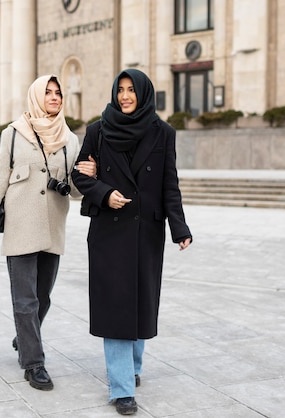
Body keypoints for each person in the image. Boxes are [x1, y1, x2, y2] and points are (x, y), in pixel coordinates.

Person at [71, 69, 193, 415]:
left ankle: (133, 368)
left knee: (140, 303)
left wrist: (179, 227)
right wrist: (104, 193)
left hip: (146, 233)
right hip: (110, 233)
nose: (125, 96)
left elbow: (170, 182)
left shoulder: (163, 132)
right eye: (120, 90)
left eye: (131, 90)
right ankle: (121, 388)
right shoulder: (98, 130)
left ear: (143, 93)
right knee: (116, 306)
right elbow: (79, 173)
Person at [0, 75, 95, 391]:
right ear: (37, 96)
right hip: (21, 226)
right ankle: (34, 363)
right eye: (48, 93)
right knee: (25, 301)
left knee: (42, 298)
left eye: (58, 93)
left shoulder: (70, 138)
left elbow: (76, 190)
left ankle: (23, 338)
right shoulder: (13, 134)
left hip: (53, 227)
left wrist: (87, 176)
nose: (54, 97)